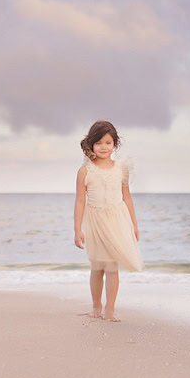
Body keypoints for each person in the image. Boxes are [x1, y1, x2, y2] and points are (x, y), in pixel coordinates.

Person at [74, 122, 142, 319]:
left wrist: (134, 225)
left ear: (115, 144)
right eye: (99, 143)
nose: (104, 147)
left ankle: (110, 310)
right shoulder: (85, 171)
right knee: (97, 266)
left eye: (108, 142)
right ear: (91, 145)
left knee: (112, 267)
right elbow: (80, 201)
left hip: (117, 220)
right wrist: (77, 229)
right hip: (95, 221)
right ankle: (96, 307)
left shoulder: (122, 169)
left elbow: (127, 197)